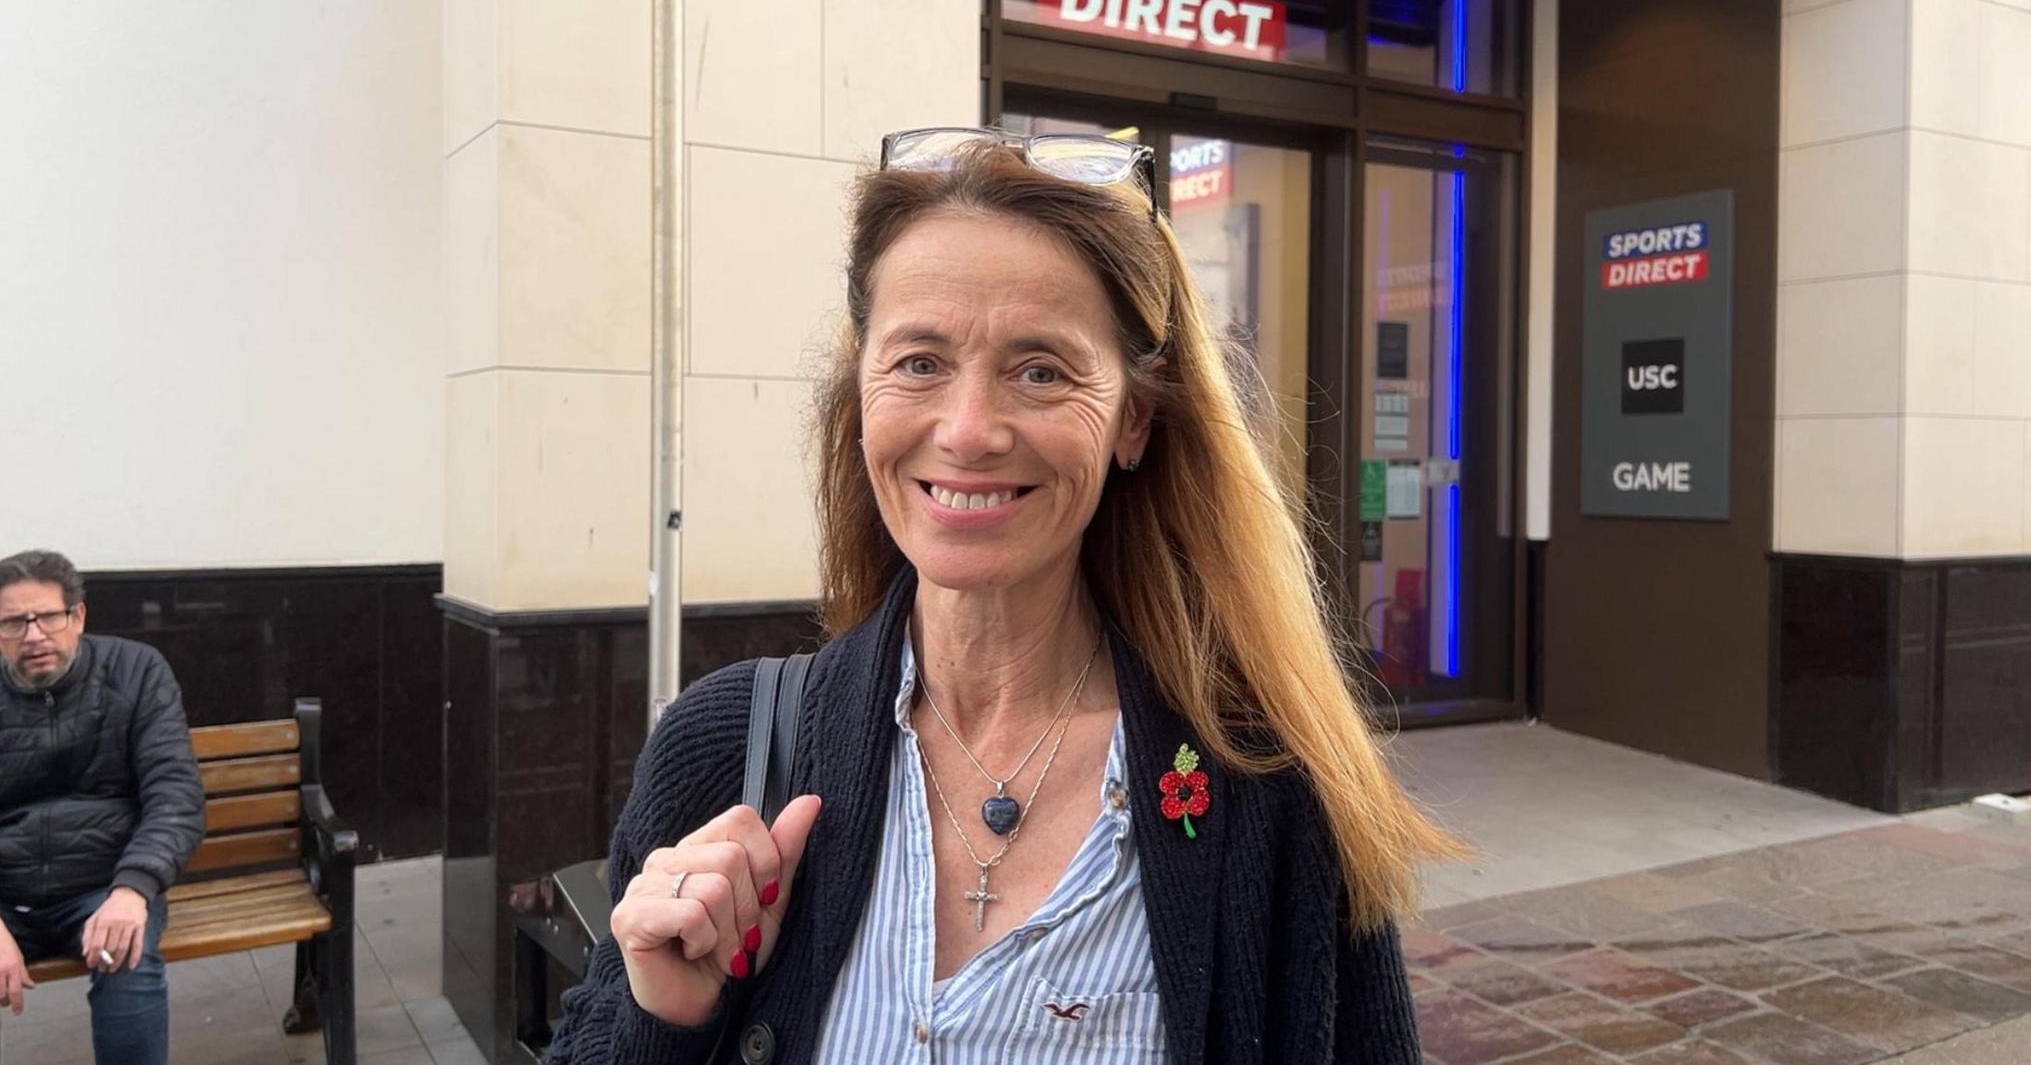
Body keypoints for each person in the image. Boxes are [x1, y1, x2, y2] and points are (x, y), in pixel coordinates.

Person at [545, 129, 1461, 1064]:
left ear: (1134, 418)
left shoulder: (1268, 784)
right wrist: (667, 1023)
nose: (971, 430)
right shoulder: (724, 746)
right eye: (920, 362)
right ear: (862, 392)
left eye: (1040, 370)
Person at [0, 550, 204, 1065]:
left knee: (126, 958)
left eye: (47, 616)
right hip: (6, 894)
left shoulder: (135, 671)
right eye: (12, 623)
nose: (33, 636)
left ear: (78, 616)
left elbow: (175, 792)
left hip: (102, 885)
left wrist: (134, 889)